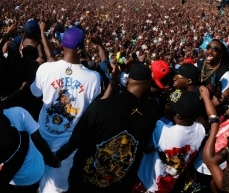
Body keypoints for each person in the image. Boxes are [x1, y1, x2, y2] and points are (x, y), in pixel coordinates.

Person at [55, 63, 158, 192]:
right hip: (118, 186)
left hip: (83, 184)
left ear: (127, 82)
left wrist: (54, 157)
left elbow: (73, 143)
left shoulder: (100, 107)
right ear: (149, 84)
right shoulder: (151, 116)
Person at [30, 26, 102, 193]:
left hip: (41, 138)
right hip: (67, 145)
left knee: (32, 179)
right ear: (81, 48)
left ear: (62, 45)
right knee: (54, 189)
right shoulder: (93, 78)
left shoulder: (45, 69)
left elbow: (35, 93)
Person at [134, 89, 205, 193]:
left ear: (179, 115)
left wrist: (166, 114)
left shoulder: (162, 130)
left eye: (170, 105)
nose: (167, 106)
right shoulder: (200, 130)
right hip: (168, 185)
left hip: (147, 184)